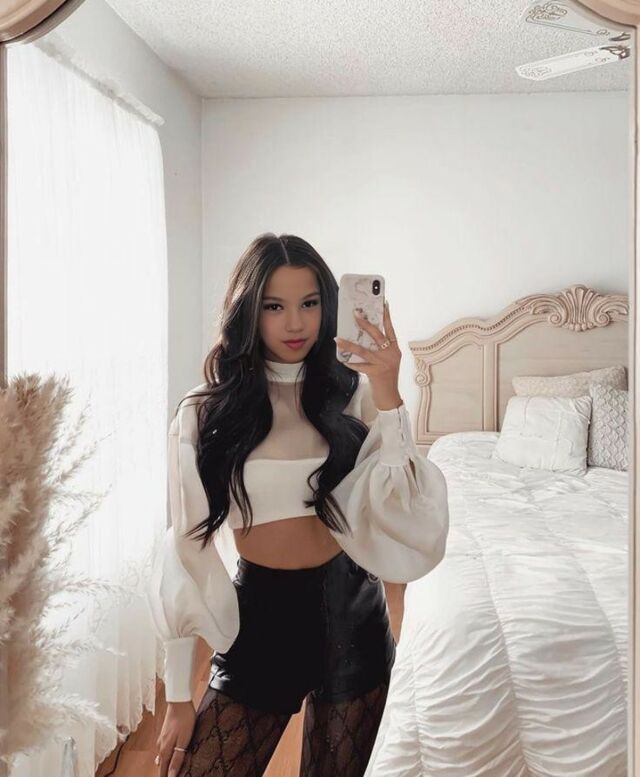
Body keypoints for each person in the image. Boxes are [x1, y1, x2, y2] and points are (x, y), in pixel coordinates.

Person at [146, 233, 450, 777]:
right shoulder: (205, 411)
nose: (295, 323)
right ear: (248, 311)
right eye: (274, 306)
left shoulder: (353, 394)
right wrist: (176, 695)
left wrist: (387, 387)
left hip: (353, 617)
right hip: (260, 623)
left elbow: (407, 504)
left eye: (309, 303)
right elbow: (185, 549)